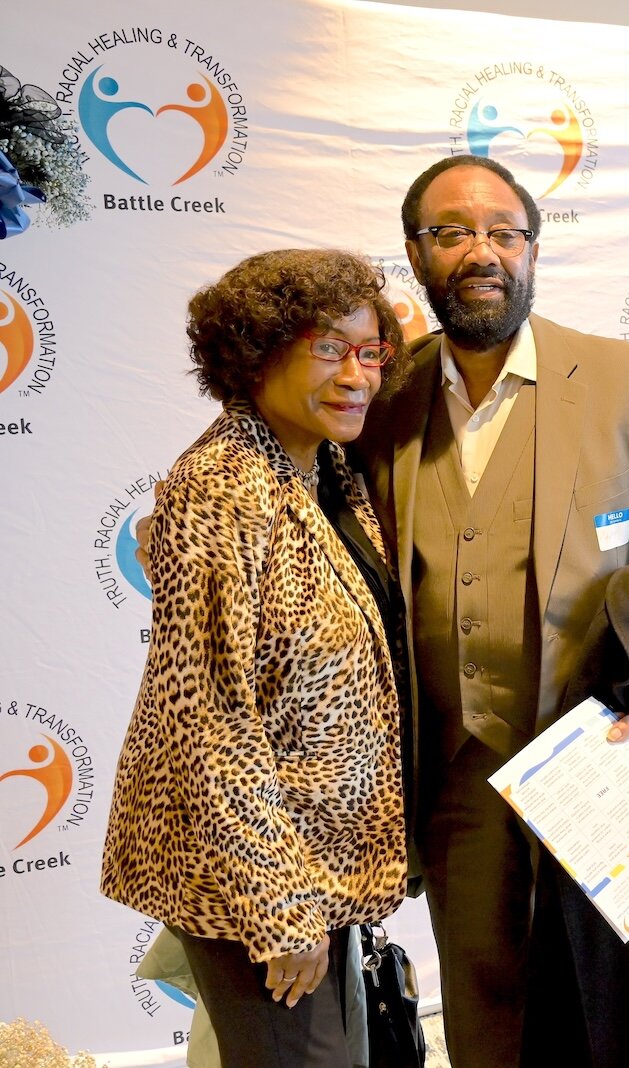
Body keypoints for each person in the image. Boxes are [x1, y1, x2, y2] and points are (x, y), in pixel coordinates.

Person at [354, 154, 629, 1067]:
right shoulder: (381, 398)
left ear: (534, 250)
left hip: (601, 750)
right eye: (453, 233)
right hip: (453, 774)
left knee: (628, 1012)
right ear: (415, 254)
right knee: (488, 1007)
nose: (482, 252)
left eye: (504, 232)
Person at [101, 249, 411, 1068]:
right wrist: (277, 906)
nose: (358, 374)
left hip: (320, 865)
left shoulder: (324, 469)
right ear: (255, 350)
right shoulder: (222, 486)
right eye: (328, 348)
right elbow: (206, 717)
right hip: (258, 880)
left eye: (370, 350)